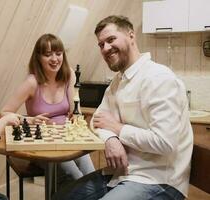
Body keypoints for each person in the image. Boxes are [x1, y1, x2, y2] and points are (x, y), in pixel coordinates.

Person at [52, 15, 193, 200]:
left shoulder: (159, 78)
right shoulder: (117, 82)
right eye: (101, 44)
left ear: (131, 36)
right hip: (121, 173)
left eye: (111, 40)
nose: (105, 48)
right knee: (60, 198)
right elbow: (97, 120)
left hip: (159, 180)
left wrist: (118, 128)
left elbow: (165, 143)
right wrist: (111, 139)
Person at [1, 33, 95, 181]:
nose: (54, 59)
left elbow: (75, 110)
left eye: (58, 54)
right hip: (42, 144)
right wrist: (30, 120)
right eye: (48, 54)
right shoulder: (32, 82)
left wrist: (76, 117)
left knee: (91, 175)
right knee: (75, 176)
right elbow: (5, 112)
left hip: (66, 137)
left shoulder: (69, 75)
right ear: (38, 57)